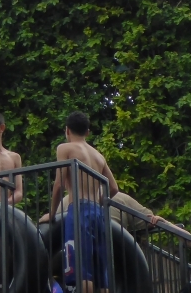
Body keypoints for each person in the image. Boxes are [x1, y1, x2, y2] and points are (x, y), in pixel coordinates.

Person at [47, 111, 120, 293]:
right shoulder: (98, 156)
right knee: (100, 273)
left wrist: (52, 213)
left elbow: (58, 185)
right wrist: (99, 201)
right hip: (97, 213)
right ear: (88, 132)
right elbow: (113, 188)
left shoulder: (65, 148)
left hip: (79, 210)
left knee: (81, 269)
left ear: (67, 130)